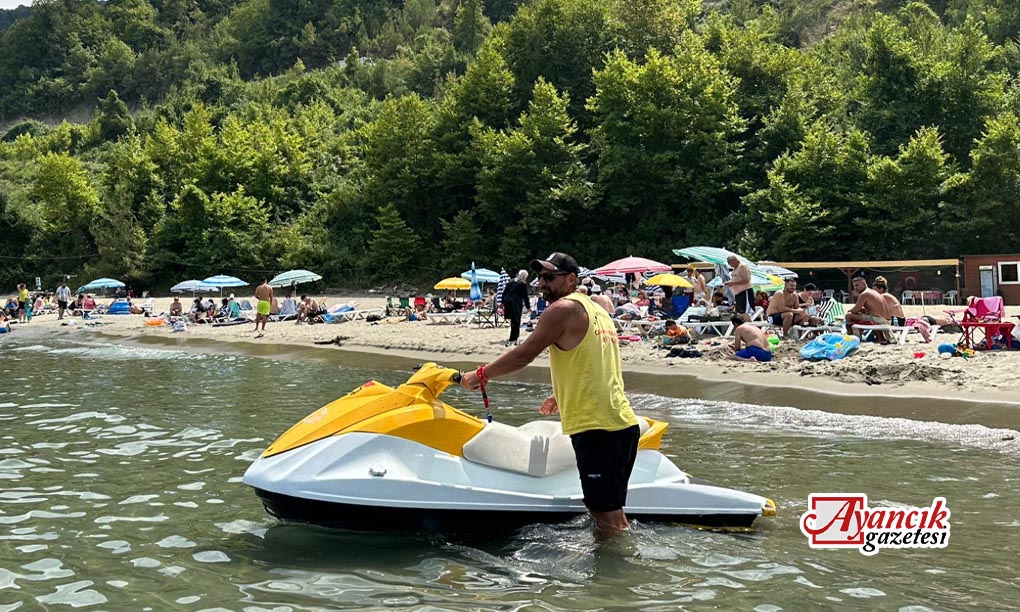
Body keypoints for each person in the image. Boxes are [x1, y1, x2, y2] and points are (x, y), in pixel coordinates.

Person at [459, 252, 640, 533]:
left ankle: (615, 574)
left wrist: (481, 375)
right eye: (540, 277)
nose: (542, 283)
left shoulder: (562, 310)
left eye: (549, 277)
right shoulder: (597, 310)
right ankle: (620, 569)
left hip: (598, 428)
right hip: (621, 425)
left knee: (606, 522)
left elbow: (523, 355)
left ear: (571, 279)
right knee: (612, 515)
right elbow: (598, 361)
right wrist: (561, 394)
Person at [501, 270, 531, 347]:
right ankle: (514, 338)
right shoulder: (522, 284)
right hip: (516, 303)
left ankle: (512, 337)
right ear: (524, 276)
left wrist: (502, 303)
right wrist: (528, 307)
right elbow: (525, 297)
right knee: (517, 321)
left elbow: (504, 293)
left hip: (508, 302)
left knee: (513, 321)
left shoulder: (511, 281)